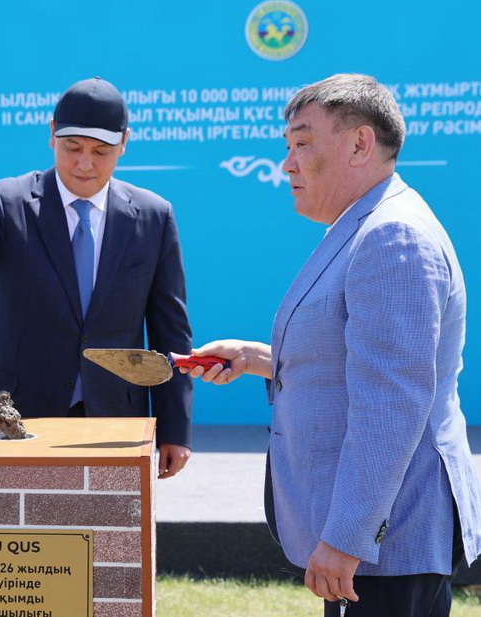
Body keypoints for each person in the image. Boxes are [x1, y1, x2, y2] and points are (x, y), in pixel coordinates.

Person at [183, 73, 481, 615]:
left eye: (302, 143)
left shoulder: (392, 236)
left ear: (360, 143)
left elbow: (392, 404)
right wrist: (255, 358)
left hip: (388, 544)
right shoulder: (368, 224)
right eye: (287, 146)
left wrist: (347, 538)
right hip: (381, 544)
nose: (287, 164)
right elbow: (361, 363)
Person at [0, 77, 193, 478]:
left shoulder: (153, 217)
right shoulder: (7, 202)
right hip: (13, 419)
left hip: (115, 422)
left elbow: (171, 333)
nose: (85, 164)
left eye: (100, 151)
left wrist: (175, 429)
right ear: (52, 134)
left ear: (124, 143)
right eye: (73, 148)